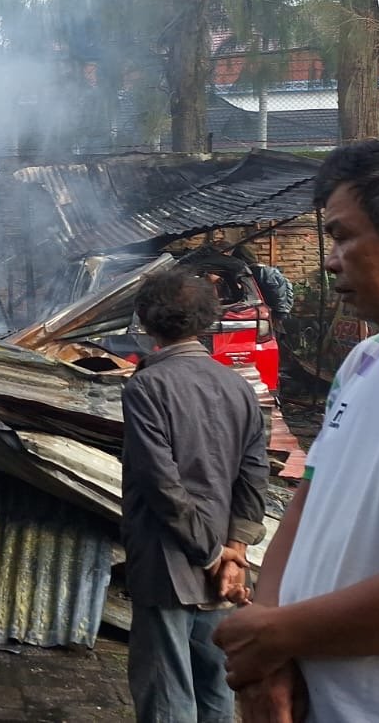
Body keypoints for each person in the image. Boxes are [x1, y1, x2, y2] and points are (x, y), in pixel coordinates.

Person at [214, 131, 379, 722]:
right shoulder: (367, 360)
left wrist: (277, 637)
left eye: (344, 236)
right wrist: (269, 657)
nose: (329, 261)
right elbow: (307, 505)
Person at [121, 268, 268, 723]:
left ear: (146, 321)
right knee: (215, 688)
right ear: (207, 320)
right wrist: (235, 552)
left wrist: (210, 555)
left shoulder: (147, 386)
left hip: (171, 563)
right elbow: (254, 472)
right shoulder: (238, 386)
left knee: (167, 696)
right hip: (222, 568)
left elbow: (161, 484)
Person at [231, 244, 295, 321]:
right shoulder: (256, 271)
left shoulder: (262, 271)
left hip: (275, 312)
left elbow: (277, 293)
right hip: (267, 311)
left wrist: (278, 313)